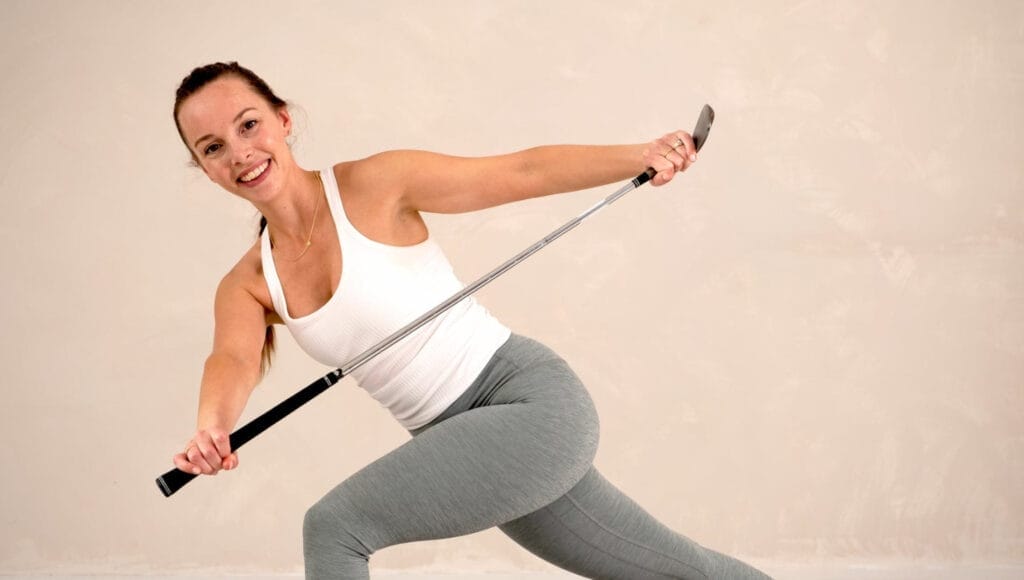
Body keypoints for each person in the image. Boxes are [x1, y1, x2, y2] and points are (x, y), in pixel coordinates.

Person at [169, 62, 770, 580]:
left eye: (248, 124)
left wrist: (638, 156)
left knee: (335, 526)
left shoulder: (372, 184)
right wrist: (211, 427)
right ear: (204, 167)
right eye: (213, 147)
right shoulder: (247, 283)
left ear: (283, 119)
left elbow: (520, 172)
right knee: (674, 570)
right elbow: (233, 361)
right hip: (465, 444)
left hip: (527, 406)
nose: (240, 152)